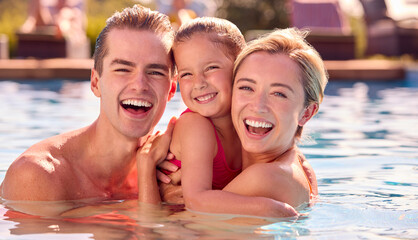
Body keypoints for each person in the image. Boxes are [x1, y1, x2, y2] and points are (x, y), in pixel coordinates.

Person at [0, 5, 178, 206]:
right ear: (95, 83)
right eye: (123, 69)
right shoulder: (38, 175)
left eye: (155, 72)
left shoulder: (173, 172)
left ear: (171, 90)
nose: (139, 85)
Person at [138, 27, 324, 217]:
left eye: (279, 93)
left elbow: (171, 227)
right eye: (247, 87)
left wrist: (272, 209)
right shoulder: (297, 163)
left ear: (307, 113)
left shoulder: (266, 177)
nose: (257, 106)